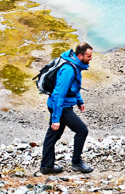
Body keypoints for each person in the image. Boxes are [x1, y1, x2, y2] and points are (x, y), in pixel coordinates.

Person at [40, 43, 94, 174]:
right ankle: (76, 163)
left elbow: (74, 87)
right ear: (80, 56)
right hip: (61, 106)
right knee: (82, 130)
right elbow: (59, 94)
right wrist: (56, 118)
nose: (91, 58)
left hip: (58, 104)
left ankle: (47, 166)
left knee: (53, 135)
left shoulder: (75, 65)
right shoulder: (69, 70)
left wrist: (79, 101)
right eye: (89, 56)